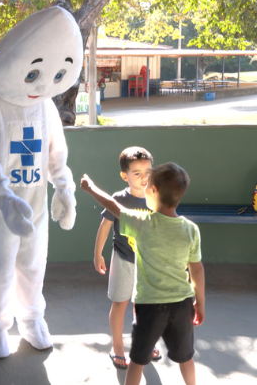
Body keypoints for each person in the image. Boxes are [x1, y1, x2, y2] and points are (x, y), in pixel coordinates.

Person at [81, 162, 205, 385]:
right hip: (182, 304)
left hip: (150, 307)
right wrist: (200, 302)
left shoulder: (142, 224)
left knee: (138, 360)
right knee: (186, 357)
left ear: (154, 191)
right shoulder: (190, 229)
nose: (144, 187)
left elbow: (112, 205)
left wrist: (90, 188)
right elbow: (197, 268)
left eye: (147, 185)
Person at [93, 147, 162, 369]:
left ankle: (146, 342)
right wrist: (97, 254)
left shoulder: (156, 197)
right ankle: (118, 346)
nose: (144, 178)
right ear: (125, 176)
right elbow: (104, 227)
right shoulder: (118, 199)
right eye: (137, 173)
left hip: (148, 263)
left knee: (145, 306)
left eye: (147, 172)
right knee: (121, 303)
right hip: (123, 259)